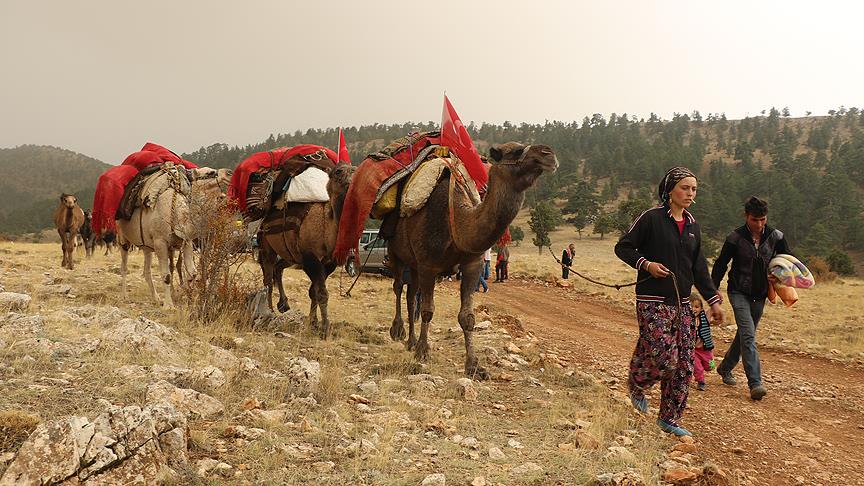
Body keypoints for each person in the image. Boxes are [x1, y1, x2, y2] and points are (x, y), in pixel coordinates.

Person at [614, 166, 724, 437]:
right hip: (652, 299)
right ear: (670, 190)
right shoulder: (650, 218)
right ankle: (638, 382)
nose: (690, 193)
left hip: (684, 304)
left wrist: (713, 300)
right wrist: (646, 264)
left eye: (694, 189)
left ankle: (668, 419)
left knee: (685, 364)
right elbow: (623, 247)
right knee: (665, 357)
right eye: (684, 188)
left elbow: (698, 267)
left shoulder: (693, 226)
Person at [711, 196, 791, 401]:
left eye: (762, 219)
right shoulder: (735, 238)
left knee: (745, 334)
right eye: (755, 219)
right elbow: (721, 264)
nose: (759, 224)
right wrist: (713, 290)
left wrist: (778, 275)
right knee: (748, 335)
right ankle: (755, 383)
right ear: (746, 216)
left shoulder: (776, 236)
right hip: (738, 291)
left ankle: (725, 367)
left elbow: (788, 261)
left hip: (760, 294)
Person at [689, 293, 715, 391]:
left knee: (709, 367)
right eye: (691, 306)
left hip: (705, 349)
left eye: (696, 307)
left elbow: (713, 309)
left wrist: (716, 300)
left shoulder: (704, 318)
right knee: (697, 367)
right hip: (694, 350)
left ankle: (708, 366)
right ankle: (701, 381)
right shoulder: (686, 320)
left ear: (701, 308)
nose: (693, 309)